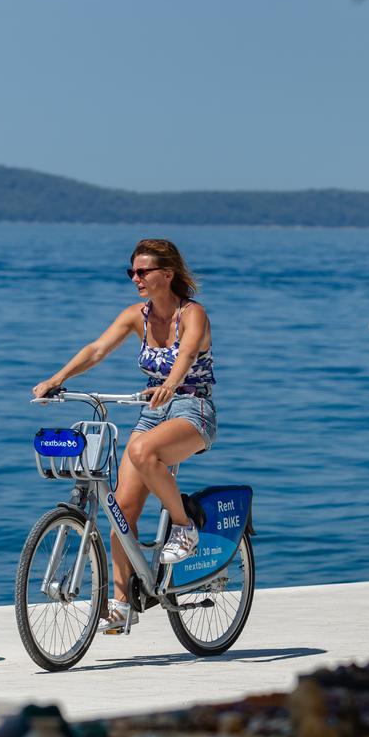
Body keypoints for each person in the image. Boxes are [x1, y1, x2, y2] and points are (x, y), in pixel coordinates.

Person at [33, 239, 217, 631]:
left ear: (166, 274)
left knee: (142, 449)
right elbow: (98, 349)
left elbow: (185, 356)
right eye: (131, 272)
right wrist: (57, 378)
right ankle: (121, 604)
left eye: (143, 271)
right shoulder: (137, 316)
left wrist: (170, 383)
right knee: (120, 510)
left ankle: (185, 528)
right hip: (152, 410)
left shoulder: (193, 314)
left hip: (192, 409)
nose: (136, 278)